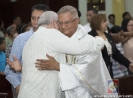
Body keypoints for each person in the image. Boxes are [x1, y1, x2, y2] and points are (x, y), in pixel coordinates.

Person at [34, 6, 118, 98]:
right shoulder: (58, 40)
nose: (63, 26)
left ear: (77, 21)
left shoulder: (87, 42)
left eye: (67, 22)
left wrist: (58, 66)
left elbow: (88, 70)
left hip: (86, 93)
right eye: (60, 23)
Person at [5, 4, 50, 96]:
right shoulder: (21, 39)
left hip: (47, 89)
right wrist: (17, 86)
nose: (35, 22)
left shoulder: (53, 38)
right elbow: (9, 69)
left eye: (39, 18)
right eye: (33, 18)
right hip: (24, 88)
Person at [89, 14, 133, 78]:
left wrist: (128, 64)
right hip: (97, 73)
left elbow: (116, 53)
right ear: (97, 23)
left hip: (109, 72)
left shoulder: (108, 36)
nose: (107, 23)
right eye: (104, 21)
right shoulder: (90, 37)